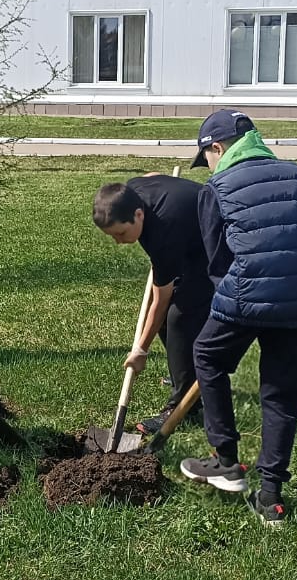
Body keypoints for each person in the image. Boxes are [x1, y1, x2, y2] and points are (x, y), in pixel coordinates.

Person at [177, 110, 297, 526]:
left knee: (207, 356)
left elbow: (217, 262)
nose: (209, 167)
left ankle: (226, 461)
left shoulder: (216, 188)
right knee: (281, 394)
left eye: (208, 158)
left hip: (245, 293)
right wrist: (295, 270)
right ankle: (270, 499)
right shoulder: (296, 176)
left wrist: (248, 285)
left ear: (216, 148)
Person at [90, 173, 212, 433]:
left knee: (179, 317)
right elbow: (152, 176)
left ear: (138, 215)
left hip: (216, 248)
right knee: (170, 321)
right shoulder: (132, 190)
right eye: (112, 236)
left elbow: (161, 300)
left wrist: (140, 351)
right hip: (189, 237)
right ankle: (186, 377)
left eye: (121, 233)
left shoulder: (163, 233)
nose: (119, 242)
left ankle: (184, 407)